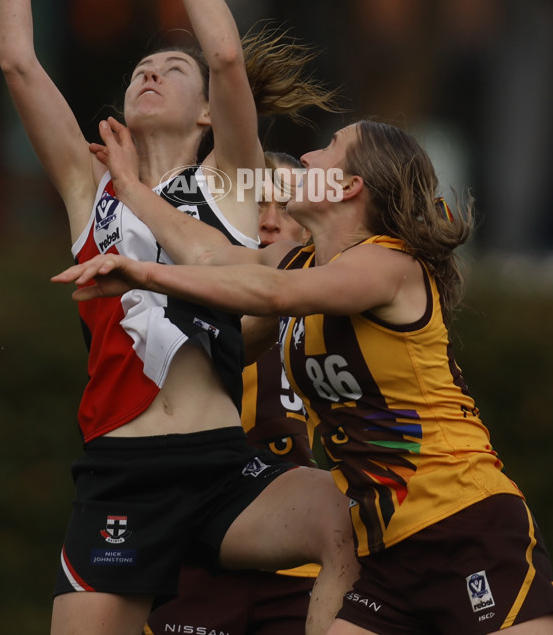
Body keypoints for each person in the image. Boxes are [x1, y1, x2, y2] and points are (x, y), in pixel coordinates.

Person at [0, 0, 357, 635]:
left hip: (223, 471)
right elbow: (19, 62)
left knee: (341, 518)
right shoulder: (92, 191)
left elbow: (227, 58)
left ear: (203, 114)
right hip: (121, 476)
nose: (150, 70)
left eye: (171, 69)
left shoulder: (228, 184)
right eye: (140, 68)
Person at [54, 119, 553, 634]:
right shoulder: (305, 262)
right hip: (385, 551)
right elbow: (205, 252)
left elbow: (271, 293)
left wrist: (142, 273)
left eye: (328, 148)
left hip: (465, 523)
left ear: (348, 186)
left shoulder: (388, 265)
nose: (308, 157)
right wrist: (131, 188)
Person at [145, 152, 316, 635]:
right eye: (255, 205)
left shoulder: (332, 313)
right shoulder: (178, 308)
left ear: (311, 228)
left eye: (287, 207)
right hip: (194, 552)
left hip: (297, 559)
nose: (268, 222)